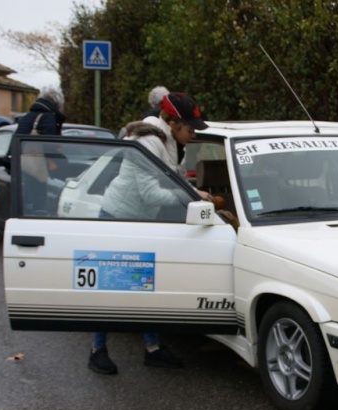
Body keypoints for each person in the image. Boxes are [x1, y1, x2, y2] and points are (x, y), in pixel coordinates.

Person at [88, 92, 211, 375]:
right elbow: (151, 193)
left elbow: (173, 177)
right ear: (172, 121)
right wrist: (191, 197)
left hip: (140, 220)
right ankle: (97, 351)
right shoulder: (149, 141)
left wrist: (193, 190)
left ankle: (153, 349)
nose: (193, 135)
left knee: (145, 285)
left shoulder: (168, 142)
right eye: (190, 129)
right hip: (117, 219)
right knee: (110, 288)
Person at [15, 89, 66, 213]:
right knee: (39, 205)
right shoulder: (48, 117)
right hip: (37, 169)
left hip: (22, 168)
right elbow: (50, 144)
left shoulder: (29, 116)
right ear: (56, 104)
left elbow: (16, 140)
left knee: (26, 204)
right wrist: (61, 162)